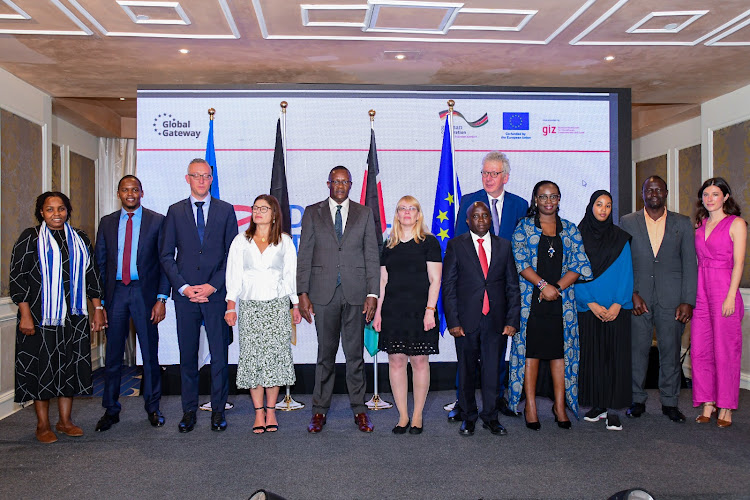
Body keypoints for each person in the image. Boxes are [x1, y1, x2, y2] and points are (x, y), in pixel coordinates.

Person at [10, 192, 105, 443]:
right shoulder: (30, 238)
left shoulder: (80, 239)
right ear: (41, 212)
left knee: (69, 367)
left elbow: (92, 275)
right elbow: (18, 278)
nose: (56, 214)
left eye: (61, 209)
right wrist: (25, 315)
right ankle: (42, 425)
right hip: (40, 317)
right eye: (50, 209)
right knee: (43, 369)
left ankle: (65, 421)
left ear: (67, 211)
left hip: (73, 317)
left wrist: (97, 309)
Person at [296, 166, 380, 433]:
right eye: (336, 181)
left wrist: (372, 293)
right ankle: (319, 411)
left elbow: (371, 256)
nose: (341, 185)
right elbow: (304, 255)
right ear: (328, 183)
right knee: (325, 355)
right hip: (322, 294)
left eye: (345, 182)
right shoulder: (312, 212)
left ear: (351, 184)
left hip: (356, 294)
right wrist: (302, 293)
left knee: (355, 356)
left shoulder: (364, 213)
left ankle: (360, 410)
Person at [160, 158, 238, 433]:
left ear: (211, 179)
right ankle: (189, 412)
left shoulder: (226, 210)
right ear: (187, 179)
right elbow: (166, 255)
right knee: (188, 357)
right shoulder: (174, 211)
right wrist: (184, 287)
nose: (202, 181)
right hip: (186, 297)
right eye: (197, 176)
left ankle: (218, 411)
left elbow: (233, 255)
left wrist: (213, 286)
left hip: (215, 295)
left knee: (219, 356)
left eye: (206, 176)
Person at [509, 180, 591, 430]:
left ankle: (559, 405)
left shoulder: (570, 229)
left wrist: (557, 288)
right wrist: (544, 286)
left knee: (560, 355)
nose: (548, 201)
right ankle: (531, 406)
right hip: (532, 303)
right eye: (543, 197)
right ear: (535, 199)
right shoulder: (523, 227)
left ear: (559, 199)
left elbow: (580, 264)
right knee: (531, 354)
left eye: (553, 196)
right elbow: (520, 261)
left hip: (561, 304)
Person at [453, 151, 528, 420]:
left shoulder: (520, 205)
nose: (488, 178)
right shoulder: (468, 201)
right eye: (485, 172)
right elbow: (459, 246)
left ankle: (495, 402)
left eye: (494, 173)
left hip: (502, 290)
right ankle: (463, 405)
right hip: (472, 292)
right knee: (467, 355)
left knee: (497, 353)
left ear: (505, 177)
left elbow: (523, 248)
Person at [94, 175, 170, 432]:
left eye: (134, 189)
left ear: (141, 192)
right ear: (119, 193)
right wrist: (101, 304)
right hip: (115, 294)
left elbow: (164, 263)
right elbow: (100, 264)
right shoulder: (106, 223)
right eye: (125, 190)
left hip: (144, 294)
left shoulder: (157, 221)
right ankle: (111, 409)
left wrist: (161, 298)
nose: (130, 194)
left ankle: (153, 407)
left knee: (150, 354)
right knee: (113, 355)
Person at [620, 176, 697, 423]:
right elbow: (622, 264)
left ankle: (670, 402)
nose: (653, 193)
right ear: (642, 194)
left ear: (666, 192)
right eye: (648, 189)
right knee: (637, 353)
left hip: (673, 300)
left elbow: (690, 264)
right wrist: (630, 294)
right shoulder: (627, 222)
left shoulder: (683, 223)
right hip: (638, 299)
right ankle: (637, 399)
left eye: (658, 189)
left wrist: (688, 300)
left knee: (671, 353)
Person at [442, 202, 521, 436]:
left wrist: (512, 320)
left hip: (495, 320)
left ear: (490, 219)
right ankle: (468, 416)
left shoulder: (504, 246)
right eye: (475, 216)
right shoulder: (456, 245)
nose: (481, 220)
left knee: (491, 371)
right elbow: (448, 287)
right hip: (465, 321)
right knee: (466, 371)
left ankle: (491, 416)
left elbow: (512, 287)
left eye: (485, 216)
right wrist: (453, 321)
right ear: (468, 221)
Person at [225, 195, 300, 434]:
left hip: (277, 307)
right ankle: (258, 413)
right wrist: (231, 305)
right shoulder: (241, 240)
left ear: (274, 214)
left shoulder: (285, 242)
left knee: (275, 361)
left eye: (263, 208)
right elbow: (233, 275)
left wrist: (296, 304)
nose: (258, 212)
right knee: (253, 360)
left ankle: (271, 411)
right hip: (250, 307)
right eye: (255, 208)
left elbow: (291, 275)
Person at [372, 196, 442, 435]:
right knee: (396, 361)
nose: (407, 212)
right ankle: (402, 415)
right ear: (397, 213)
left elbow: (435, 280)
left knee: (420, 361)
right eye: (402, 208)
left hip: (421, 311)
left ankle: (418, 414)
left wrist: (430, 311)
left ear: (419, 214)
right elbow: (383, 281)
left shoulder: (429, 242)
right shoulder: (388, 244)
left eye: (412, 208)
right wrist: (379, 312)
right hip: (393, 310)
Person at [575, 190, 633, 431]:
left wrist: (618, 303)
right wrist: (590, 302)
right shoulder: (577, 236)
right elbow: (573, 271)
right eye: (599, 204)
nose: (603, 209)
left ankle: (613, 410)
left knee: (614, 357)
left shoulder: (620, 238)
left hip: (615, 309)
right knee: (593, 357)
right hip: (589, 308)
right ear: (591, 207)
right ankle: (597, 405)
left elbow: (626, 272)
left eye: (608, 206)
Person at [691, 177, 746, 428]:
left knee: (726, 352)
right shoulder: (699, 225)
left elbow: (739, 263)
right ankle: (708, 402)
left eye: (715, 194)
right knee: (701, 350)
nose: (710, 198)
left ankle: (726, 407)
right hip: (702, 292)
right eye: (706, 194)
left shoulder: (736, 224)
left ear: (725, 197)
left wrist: (731, 296)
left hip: (725, 292)